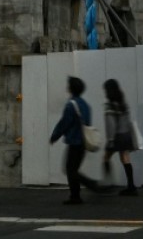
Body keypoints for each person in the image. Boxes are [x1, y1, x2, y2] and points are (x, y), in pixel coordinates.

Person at [49, 76, 101, 204]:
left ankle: (82, 191)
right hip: (83, 142)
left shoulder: (71, 105)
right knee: (73, 169)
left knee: (70, 169)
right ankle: (77, 194)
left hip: (74, 141)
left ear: (71, 88)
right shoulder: (85, 105)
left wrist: (54, 136)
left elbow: (64, 123)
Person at [101, 78, 139, 195]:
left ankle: (108, 184)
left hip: (117, 137)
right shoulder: (123, 104)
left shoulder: (110, 106)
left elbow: (111, 124)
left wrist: (111, 140)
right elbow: (127, 120)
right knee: (125, 158)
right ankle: (131, 186)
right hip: (126, 134)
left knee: (106, 158)